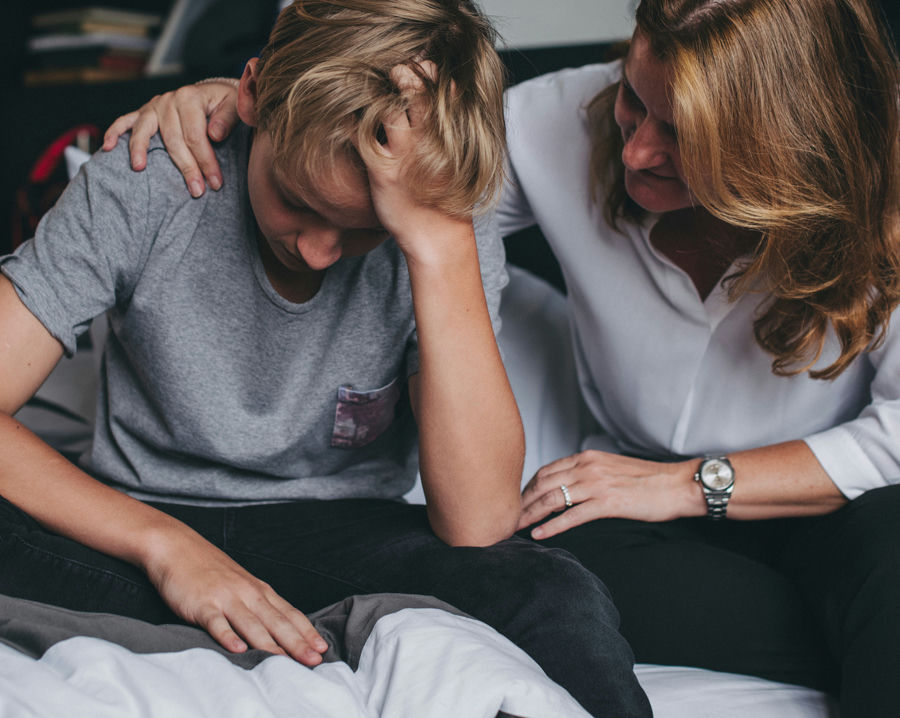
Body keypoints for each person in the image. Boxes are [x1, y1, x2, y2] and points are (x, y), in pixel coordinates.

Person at [117, 0, 900, 715]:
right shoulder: (561, 121)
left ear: (787, 145)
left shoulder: (883, 193)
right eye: (634, 99)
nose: (637, 153)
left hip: (841, 507)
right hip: (627, 508)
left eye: (686, 141)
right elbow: (391, 160)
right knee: (547, 572)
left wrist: (687, 486)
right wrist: (236, 101)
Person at [0, 2, 653, 716]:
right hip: (140, 518)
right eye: (295, 200)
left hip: (337, 535)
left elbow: (479, 522)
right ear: (250, 96)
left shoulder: (443, 229)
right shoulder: (151, 178)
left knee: (553, 591)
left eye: (361, 230)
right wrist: (166, 548)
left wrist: (435, 247)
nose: (316, 252)